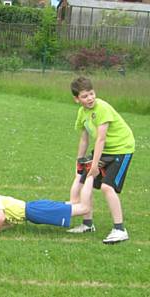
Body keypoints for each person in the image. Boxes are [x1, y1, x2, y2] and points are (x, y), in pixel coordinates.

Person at [65, 76, 135, 244]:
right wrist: (80, 161)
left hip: (121, 149)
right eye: (84, 96)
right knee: (85, 182)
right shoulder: (82, 113)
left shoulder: (102, 108)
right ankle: (87, 224)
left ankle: (120, 230)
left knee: (106, 187)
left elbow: (101, 139)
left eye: (91, 93)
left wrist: (95, 165)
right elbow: (84, 139)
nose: (89, 98)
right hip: (103, 150)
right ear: (77, 99)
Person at [0, 176, 96, 240]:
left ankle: (90, 175)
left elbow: (1, 218)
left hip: (35, 211)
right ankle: (85, 174)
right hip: (35, 207)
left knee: (84, 208)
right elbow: (8, 223)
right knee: (75, 202)